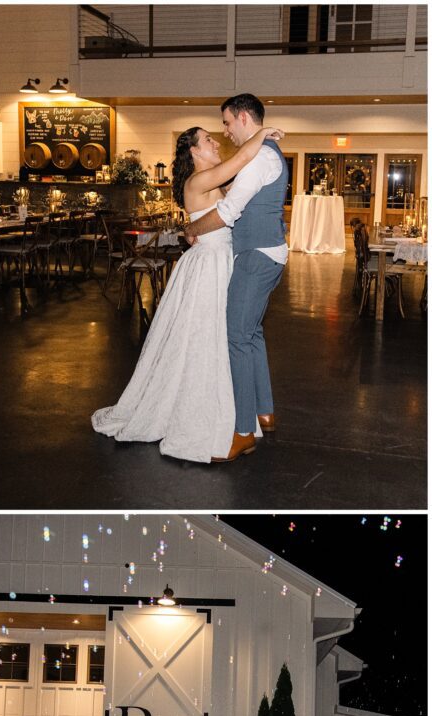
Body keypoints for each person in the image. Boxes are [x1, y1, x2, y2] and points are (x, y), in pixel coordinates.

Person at [91, 117, 284, 462]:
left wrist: (190, 227)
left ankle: (240, 409)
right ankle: (214, 413)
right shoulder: (200, 180)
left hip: (224, 260)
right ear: (194, 150)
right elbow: (240, 162)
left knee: (226, 335)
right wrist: (263, 134)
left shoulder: (211, 179)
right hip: (209, 266)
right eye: (207, 139)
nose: (215, 142)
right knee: (205, 337)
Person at [183, 93, 288, 462]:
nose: (225, 131)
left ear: (243, 117)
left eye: (226, 122)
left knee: (238, 339)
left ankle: (243, 432)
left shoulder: (260, 157)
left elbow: (228, 212)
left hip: (256, 257)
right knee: (252, 333)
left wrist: (192, 227)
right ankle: (265, 410)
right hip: (266, 254)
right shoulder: (265, 152)